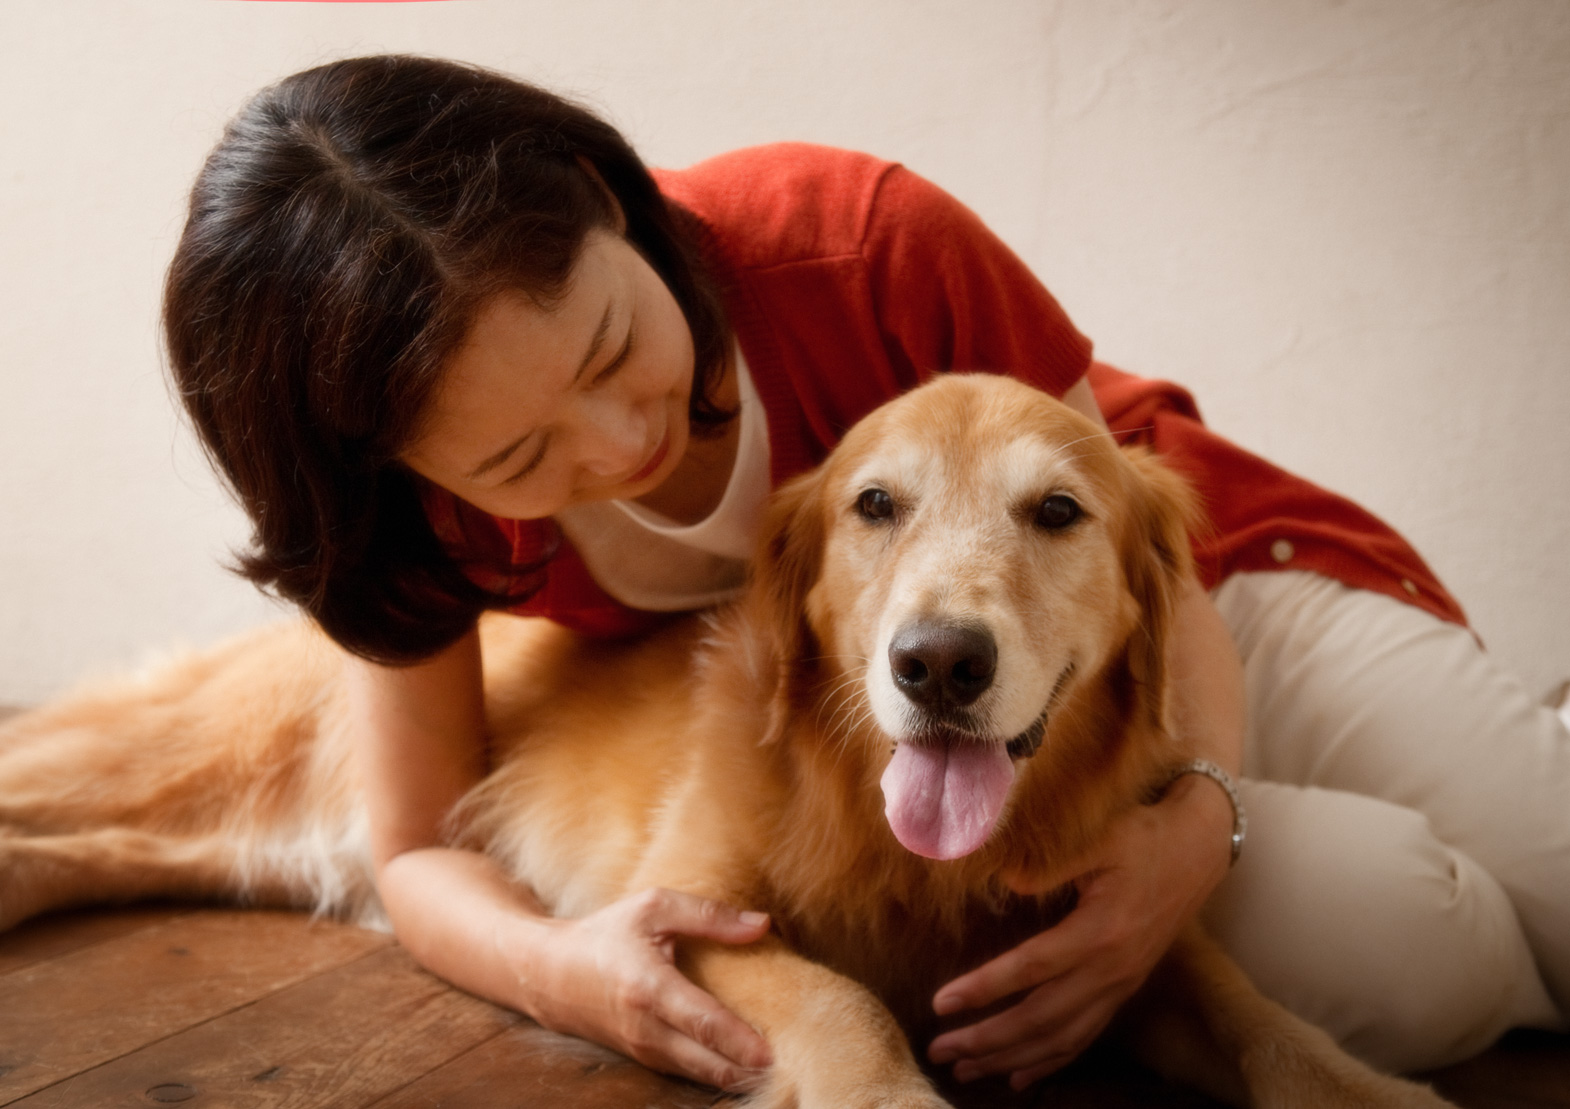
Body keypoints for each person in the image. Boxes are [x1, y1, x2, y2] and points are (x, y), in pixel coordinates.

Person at [162, 54, 1567, 1093]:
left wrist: (1198, 822)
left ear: (604, 201)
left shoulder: (859, 240)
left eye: (612, 348)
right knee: (1417, 951)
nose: (622, 443)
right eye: (522, 454)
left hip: (1209, 599)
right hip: (983, 738)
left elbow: (1144, 558)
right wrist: (568, 968)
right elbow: (413, 847)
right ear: (404, 474)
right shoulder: (413, 527)